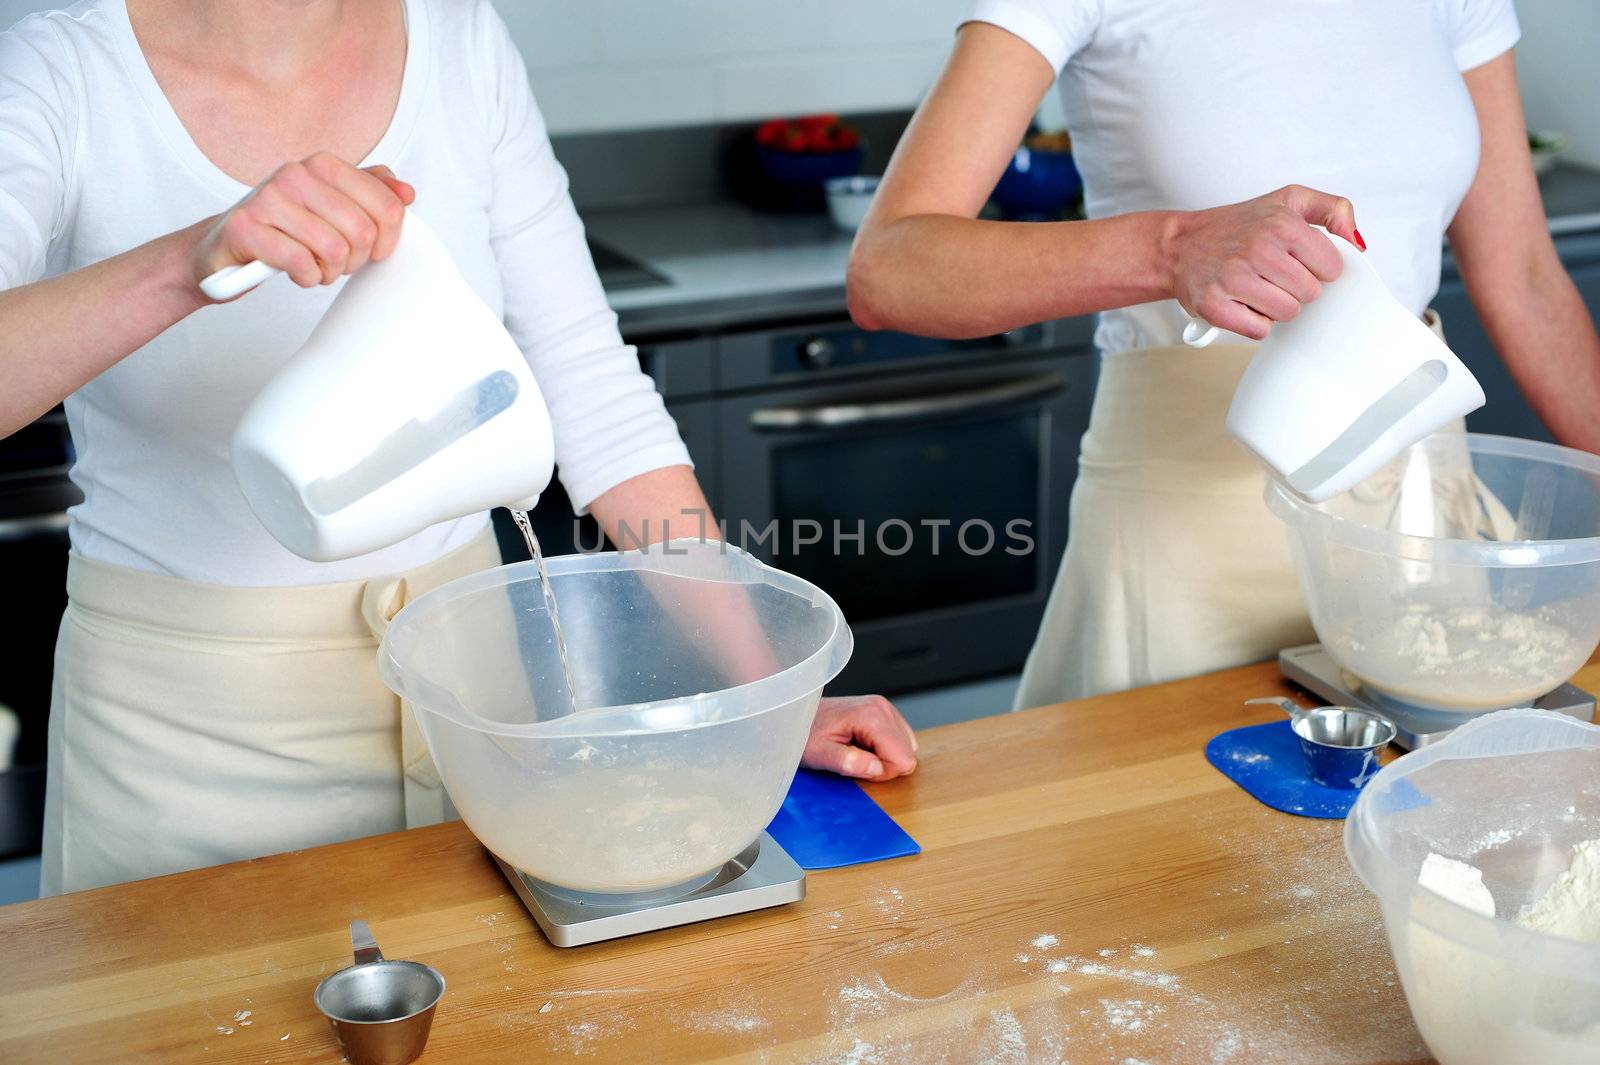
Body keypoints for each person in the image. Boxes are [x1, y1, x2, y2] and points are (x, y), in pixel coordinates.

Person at [0, 0, 917, 896]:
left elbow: (598, 399)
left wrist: (763, 698)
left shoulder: (462, 40)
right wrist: (190, 260)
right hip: (184, 737)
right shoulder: (61, 71)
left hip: (472, 712)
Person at [848, 0, 1600, 709]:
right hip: (1188, 542)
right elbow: (889, 270)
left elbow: (1527, 277)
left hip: (1412, 535)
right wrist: (1172, 248)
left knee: (1422, 833)